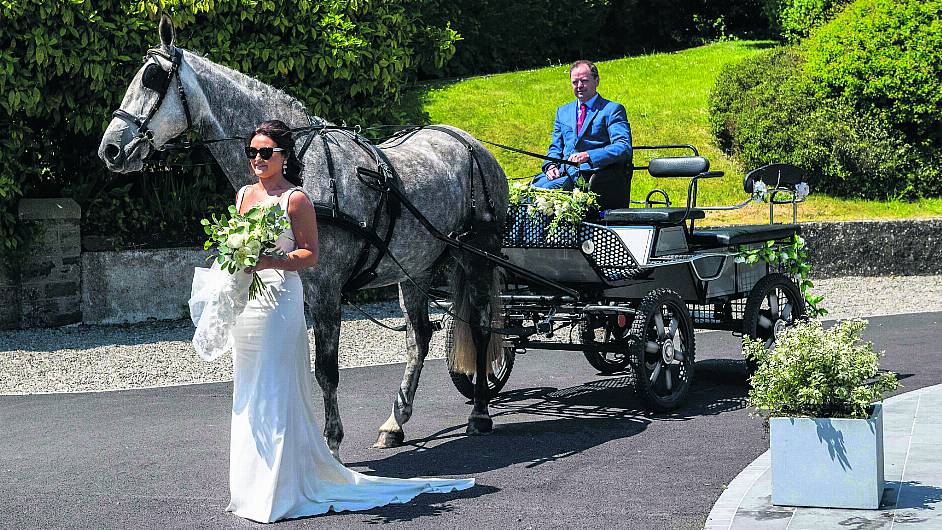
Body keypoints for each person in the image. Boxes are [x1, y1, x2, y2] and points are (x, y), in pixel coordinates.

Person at [221, 120, 474, 523]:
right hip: (251, 304)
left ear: (285, 157)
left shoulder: (297, 200)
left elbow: (311, 255)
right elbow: (235, 246)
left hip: (281, 300)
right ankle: (253, 482)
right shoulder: (243, 196)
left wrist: (268, 261)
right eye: (252, 152)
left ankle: (287, 483)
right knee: (250, 388)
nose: (257, 159)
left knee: (279, 384)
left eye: (265, 152)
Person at [531, 60, 633, 210]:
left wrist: (589, 155)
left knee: (544, 196)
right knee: (525, 194)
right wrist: (550, 165)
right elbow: (555, 148)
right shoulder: (563, 112)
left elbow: (623, 147)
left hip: (594, 178)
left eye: (584, 81)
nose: (579, 86)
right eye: (575, 82)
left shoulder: (611, 110)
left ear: (596, 81)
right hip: (564, 174)